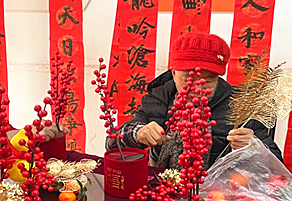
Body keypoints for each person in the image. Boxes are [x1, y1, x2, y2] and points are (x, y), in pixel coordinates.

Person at [108, 33, 281, 169]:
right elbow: (112, 144)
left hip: (218, 192)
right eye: (188, 79)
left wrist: (254, 148)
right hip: (162, 187)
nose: (198, 88)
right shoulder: (158, 98)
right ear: (173, 73)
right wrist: (137, 134)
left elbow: (276, 164)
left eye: (208, 80)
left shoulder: (240, 106)